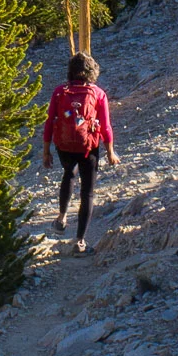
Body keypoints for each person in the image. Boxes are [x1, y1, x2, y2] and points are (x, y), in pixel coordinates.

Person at [41, 52, 117, 253]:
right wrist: (110, 151)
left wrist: (46, 151)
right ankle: (79, 241)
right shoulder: (98, 93)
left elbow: (50, 122)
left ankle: (62, 216)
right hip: (88, 147)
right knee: (88, 193)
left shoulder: (59, 92)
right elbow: (106, 126)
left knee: (68, 173)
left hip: (64, 146)